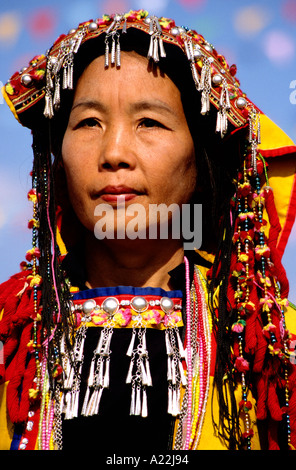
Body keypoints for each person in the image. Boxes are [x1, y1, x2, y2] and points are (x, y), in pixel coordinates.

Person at [1, 9, 296, 451]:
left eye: (149, 122)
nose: (114, 152)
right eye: (88, 123)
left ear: (200, 158)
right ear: (58, 160)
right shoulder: (11, 333)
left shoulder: (269, 347)